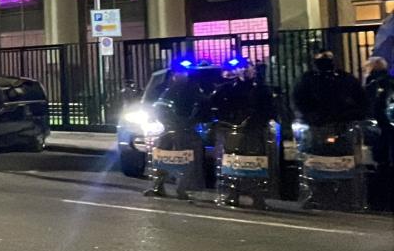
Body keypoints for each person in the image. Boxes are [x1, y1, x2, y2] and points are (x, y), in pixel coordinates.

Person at [208, 59, 276, 207]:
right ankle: (233, 194)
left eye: (247, 68)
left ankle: (257, 196)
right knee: (233, 163)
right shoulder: (227, 88)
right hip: (232, 132)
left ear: (253, 70)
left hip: (254, 132)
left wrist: (257, 121)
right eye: (241, 68)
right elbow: (214, 105)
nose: (244, 70)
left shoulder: (261, 89)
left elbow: (269, 109)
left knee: (255, 163)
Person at [144, 64, 214, 199]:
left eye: (181, 74)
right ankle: (159, 186)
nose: (178, 76)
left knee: (186, 162)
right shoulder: (169, 91)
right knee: (162, 158)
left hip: (185, 131)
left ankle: (183, 189)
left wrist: (189, 122)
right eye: (177, 74)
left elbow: (204, 111)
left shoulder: (193, 92)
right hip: (169, 130)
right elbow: (159, 109)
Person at [292, 50, 367, 127]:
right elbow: (300, 99)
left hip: (343, 120)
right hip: (317, 121)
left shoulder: (344, 77)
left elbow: (360, 97)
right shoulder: (308, 79)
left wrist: (355, 113)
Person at [363, 57, 392, 211]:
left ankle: (380, 200)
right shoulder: (390, 81)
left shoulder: (372, 83)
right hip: (389, 128)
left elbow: (368, 106)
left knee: (380, 162)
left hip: (378, 128)